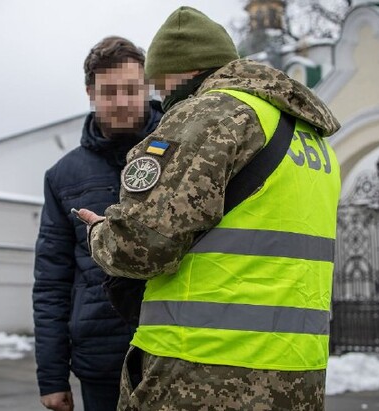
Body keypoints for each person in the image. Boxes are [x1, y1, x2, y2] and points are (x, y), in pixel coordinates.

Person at [79, 7, 342, 410]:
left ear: (177, 74)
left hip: (203, 373)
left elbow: (140, 244)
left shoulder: (213, 114)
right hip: (298, 375)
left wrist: (99, 233)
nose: (161, 99)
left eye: (159, 86)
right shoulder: (312, 140)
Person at [32, 36, 163, 411]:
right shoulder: (63, 176)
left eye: (130, 89)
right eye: (109, 91)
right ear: (91, 92)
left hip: (175, 351)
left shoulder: (182, 151)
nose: (121, 101)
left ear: (147, 86)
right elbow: (51, 281)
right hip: (101, 361)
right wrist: (52, 377)